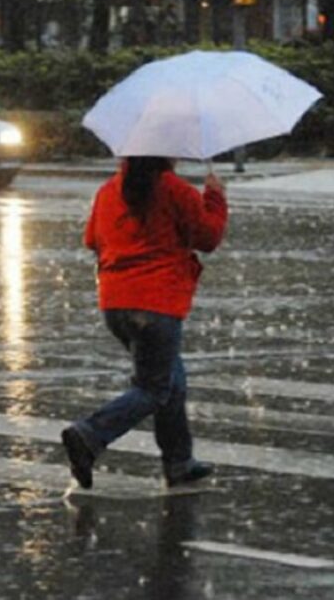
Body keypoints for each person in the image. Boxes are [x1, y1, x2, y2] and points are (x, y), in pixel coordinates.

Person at [61, 156, 227, 489]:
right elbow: (207, 238)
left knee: (171, 380)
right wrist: (215, 198)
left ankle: (179, 462)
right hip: (157, 303)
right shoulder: (174, 190)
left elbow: (92, 240)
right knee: (154, 387)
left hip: (115, 303)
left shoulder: (109, 190)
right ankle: (91, 433)